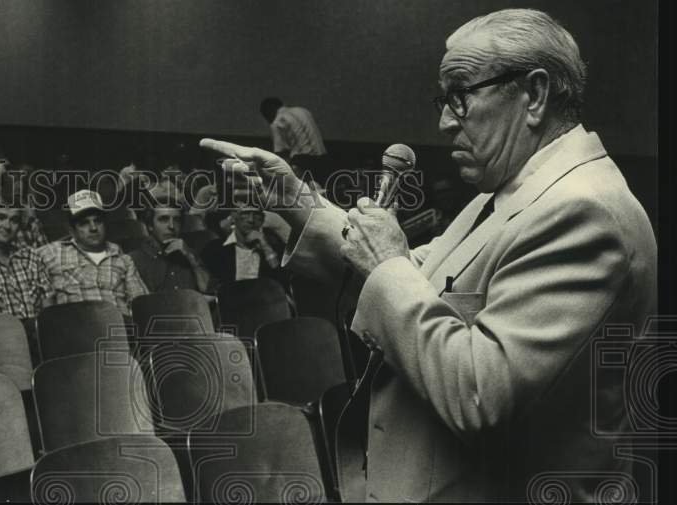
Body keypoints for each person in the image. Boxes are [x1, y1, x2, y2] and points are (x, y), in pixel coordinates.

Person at [201, 8, 657, 502]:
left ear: (536, 94)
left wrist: (389, 265)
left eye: (460, 95)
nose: (443, 122)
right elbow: (417, 277)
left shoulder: (583, 213)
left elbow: (479, 394)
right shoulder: (508, 189)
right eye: (444, 99)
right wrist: (294, 199)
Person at [36, 190, 148, 317]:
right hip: (79, 329)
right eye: (84, 223)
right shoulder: (51, 254)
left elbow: (141, 302)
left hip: (120, 329)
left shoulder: (121, 257)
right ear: (71, 230)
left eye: (98, 221)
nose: (93, 228)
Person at [128, 192, 211, 293]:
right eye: (164, 219)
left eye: (176, 220)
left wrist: (191, 258)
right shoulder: (133, 260)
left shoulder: (189, 254)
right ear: (150, 225)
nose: (171, 226)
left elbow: (207, 290)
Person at [200, 204, 288, 291]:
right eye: (245, 213)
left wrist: (265, 245)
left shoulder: (271, 250)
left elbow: (282, 285)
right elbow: (207, 288)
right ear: (234, 217)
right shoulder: (215, 249)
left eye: (256, 215)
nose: (251, 220)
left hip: (264, 302)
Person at [259, 96, 329, 185]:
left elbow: (281, 154)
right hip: (323, 158)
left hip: (302, 161)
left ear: (268, 112)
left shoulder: (277, 122)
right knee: (318, 190)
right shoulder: (303, 111)